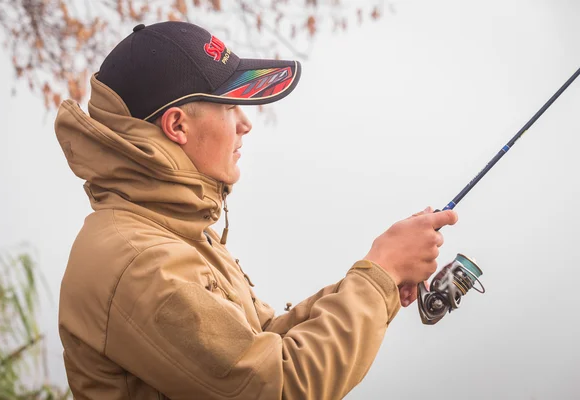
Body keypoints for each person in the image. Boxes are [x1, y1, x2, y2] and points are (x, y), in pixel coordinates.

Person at [54, 21, 458, 400]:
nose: (245, 123)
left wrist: (379, 278)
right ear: (177, 126)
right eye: (229, 106)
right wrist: (381, 273)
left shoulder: (175, 235)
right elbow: (278, 384)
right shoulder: (139, 260)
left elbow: (262, 339)